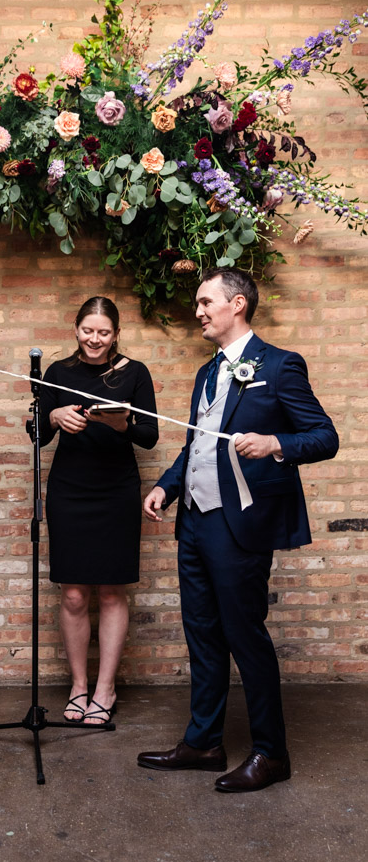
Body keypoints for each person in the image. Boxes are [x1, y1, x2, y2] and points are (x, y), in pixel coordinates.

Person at [137, 268, 339, 792]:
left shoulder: (280, 366)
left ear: (239, 304)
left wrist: (275, 442)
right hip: (195, 524)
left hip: (239, 526)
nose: (199, 311)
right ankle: (204, 742)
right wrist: (166, 486)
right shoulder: (207, 373)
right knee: (202, 634)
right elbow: (196, 445)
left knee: (244, 636)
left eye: (207, 302)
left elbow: (324, 436)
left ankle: (272, 754)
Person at [40, 296, 159, 725]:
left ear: (116, 334)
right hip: (70, 490)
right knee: (72, 593)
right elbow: (38, 436)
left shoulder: (135, 373)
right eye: (88, 330)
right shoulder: (58, 373)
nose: (95, 339)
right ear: (76, 330)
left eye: (104, 332)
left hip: (116, 490)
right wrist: (52, 416)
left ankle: (105, 689)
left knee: (111, 591)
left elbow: (149, 436)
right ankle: (78, 686)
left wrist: (120, 423)